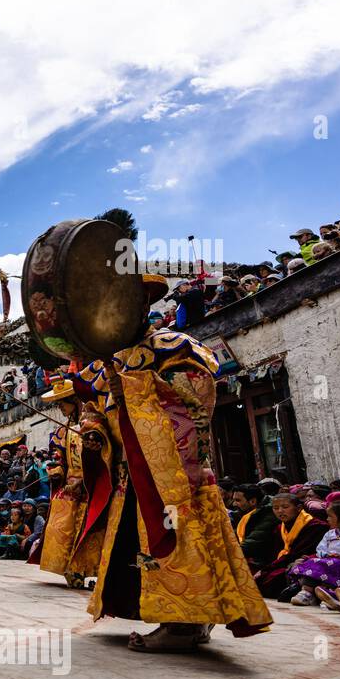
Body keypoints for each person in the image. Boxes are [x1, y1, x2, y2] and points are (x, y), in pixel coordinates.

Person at [70, 273, 273, 651]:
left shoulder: (173, 347)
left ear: (143, 306)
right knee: (138, 547)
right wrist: (95, 430)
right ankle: (173, 617)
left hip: (174, 474)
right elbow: (95, 409)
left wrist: (132, 391)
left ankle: (184, 624)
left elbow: (194, 404)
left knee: (180, 539)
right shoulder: (107, 363)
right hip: (131, 473)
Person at [35, 377, 101, 588]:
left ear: (74, 401)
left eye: (63, 403)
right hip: (70, 485)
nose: (60, 408)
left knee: (90, 528)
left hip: (91, 483)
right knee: (64, 526)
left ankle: (90, 569)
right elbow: (60, 460)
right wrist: (57, 472)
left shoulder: (91, 426)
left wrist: (85, 479)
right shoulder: (62, 432)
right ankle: (70, 567)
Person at [287, 501, 340, 606]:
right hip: (329, 561)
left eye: (330, 517)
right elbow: (320, 549)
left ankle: (333, 595)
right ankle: (307, 593)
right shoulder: (329, 534)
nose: (327, 519)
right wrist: (326, 554)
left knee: (336, 564)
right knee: (313, 562)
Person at [253, 492, 329, 601]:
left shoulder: (316, 526)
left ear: (298, 508)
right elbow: (273, 552)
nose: (280, 511)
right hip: (283, 562)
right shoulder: (280, 528)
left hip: (302, 562)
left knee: (272, 580)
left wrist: (267, 569)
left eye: (285, 507)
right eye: (276, 508)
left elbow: (298, 553)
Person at [232, 483, 280, 569]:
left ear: (253, 501)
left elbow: (254, 540)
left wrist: (230, 553)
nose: (234, 504)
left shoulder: (269, 512)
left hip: (266, 561)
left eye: (238, 500)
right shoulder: (246, 513)